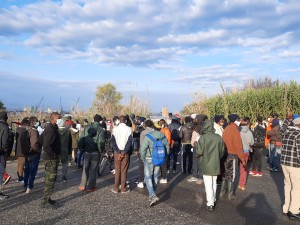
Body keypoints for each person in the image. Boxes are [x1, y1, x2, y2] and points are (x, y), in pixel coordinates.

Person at [195, 119, 225, 211]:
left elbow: (199, 152)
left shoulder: (202, 138)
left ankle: (210, 203)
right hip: (215, 163)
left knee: (208, 184)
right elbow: (222, 152)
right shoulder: (218, 137)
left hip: (205, 163)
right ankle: (213, 199)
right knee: (214, 182)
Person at [140, 121, 170, 207]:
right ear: (160, 128)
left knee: (148, 177)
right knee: (156, 176)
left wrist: (142, 158)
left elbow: (143, 149)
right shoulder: (163, 136)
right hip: (159, 159)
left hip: (149, 158)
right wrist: (165, 156)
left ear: (153, 127)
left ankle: (153, 196)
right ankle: (152, 193)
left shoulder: (148, 137)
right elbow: (167, 148)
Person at [220, 114, 246, 200]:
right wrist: (243, 159)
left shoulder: (226, 128)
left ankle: (222, 192)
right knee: (232, 175)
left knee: (225, 174)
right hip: (232, 155)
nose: (240, 120)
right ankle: (230, 194)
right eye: (238, 119)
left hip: (225, 155)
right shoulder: (235, 130)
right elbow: (238, 146)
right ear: (235, 120)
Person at [280, 113, 300, 220]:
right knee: (296, 188)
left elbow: (282, 129)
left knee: (287, 185)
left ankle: (286, 208)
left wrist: (287, 119)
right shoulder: (298, 135)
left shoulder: (286, 133)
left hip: (284, 163)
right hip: (295, 165)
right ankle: (294, 210)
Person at [79, 114, 106, 192]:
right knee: (93, 169)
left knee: (85, 168)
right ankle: (91, 187)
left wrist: (81, 149)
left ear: (93, 120)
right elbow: (101, 142)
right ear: (100, 120)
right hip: (95, 152)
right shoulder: (101, 130)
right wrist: (101, 151)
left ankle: (82, 185)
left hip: (86, 151)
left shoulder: (87, 127)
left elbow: (81, 139)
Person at [41, 112, 61, 208]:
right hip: (51, 159)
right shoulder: (50, 130)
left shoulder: (51, 128)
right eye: (59, 118)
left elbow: (41, 139)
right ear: (54, 119)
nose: (61, 120)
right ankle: (44, 202)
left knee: (49, 179)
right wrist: (53, 155)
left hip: (51, 158)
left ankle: (48, 198)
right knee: (50, 180)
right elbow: (46, 145)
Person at [111, 115, 132, 194]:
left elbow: (113, 142)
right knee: (124, 170)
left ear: (119, 121)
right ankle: (123, 188)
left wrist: (118, 151)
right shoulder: (129, 129)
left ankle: (116, 188)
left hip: (117, 152)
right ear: (125, 121)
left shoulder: (115, 129)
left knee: (117, 170)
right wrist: (124, 152)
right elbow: (129, 142)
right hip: (125, 152)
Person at [23, 116, 42, 193]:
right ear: (33, 122)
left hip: (27, 153)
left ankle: (25, 184)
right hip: (33, 153)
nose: (37, 123)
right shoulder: (34, 131)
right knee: (32, 171)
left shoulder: (26, 130)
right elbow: (34, 144)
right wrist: (38, 150)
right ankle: (29, 186)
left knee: (27, 170)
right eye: (36, 121)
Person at [188, 114, 207, 184]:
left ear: (199, 120)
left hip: (199, 146)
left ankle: (201, 177)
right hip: (194, 146)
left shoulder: (202, 128)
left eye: (196, 119)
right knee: (195, 161)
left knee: (200, 162)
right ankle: (195, 176)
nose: (194, 120)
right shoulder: (195, 126)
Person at [238, 117, 254, 191]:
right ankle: (242, 184)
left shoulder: (238, 131)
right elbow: (252, 142)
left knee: (235, 167)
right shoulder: (250, 132)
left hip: (238, 150)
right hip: (246, 151)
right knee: (244, 167)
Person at [137, 120, 153, 188]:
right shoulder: (154, 132)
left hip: (145, 152)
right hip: (152, 152)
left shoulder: (143, 132)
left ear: (145, 125)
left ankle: (141, 181)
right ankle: (150, 181)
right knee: (151, 168)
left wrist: (140, 152)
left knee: (142, 167)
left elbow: (142, 144)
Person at [15, 117, 30, 183]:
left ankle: (19, 176)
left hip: (18, 150)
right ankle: (21, 178)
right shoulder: (24, 131)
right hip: (22, 150)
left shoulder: (18, 130)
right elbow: (25, 142)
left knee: (19, 164)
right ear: (26, 124)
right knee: (21, 164)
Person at [0, 111, 10, 200]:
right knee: (0, 172)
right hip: (1, 153)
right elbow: (5, 142)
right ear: (6, 118)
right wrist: (6, 152)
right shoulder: (5, 127)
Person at [158, 119, 171, 184]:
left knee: (163, 164)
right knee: (162, 164)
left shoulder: (166, 130)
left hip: (164, 148)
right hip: (162, 148)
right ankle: (163, 177)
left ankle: (164, 178)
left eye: (161, 123)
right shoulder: (162, 130)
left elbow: (168, 141)